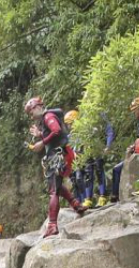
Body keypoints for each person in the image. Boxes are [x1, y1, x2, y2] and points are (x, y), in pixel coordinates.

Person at [24, 97, 87, 239]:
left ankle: (52, 225)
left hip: (59, 156)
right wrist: (41, 134)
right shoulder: (47, 118)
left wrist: (42, 142)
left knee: (53, 191)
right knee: (56, 186)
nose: (31, 116)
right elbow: (53, 133)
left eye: (31, 112)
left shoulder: (48, 116)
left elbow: (57, 131)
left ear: (36, 107)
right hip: (60, 154)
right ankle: (75, 204)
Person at [111, 97, 139, 202]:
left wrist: (135, 149)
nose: (134, 113)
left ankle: (115, 196)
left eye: (135, 110)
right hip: (138, 151)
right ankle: (114, 195)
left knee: (117, 169)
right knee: (116, 169)